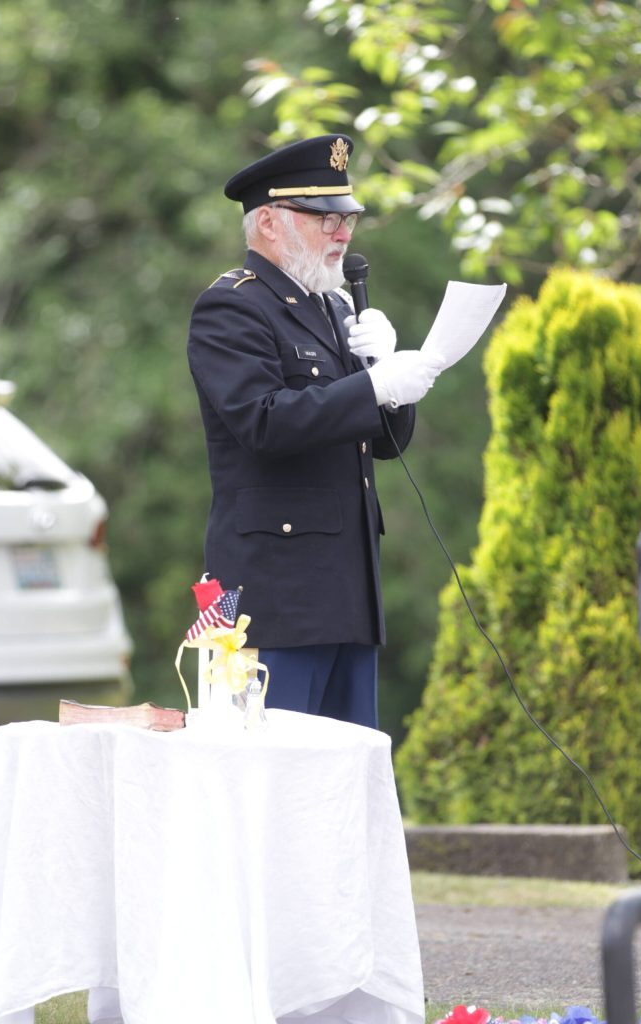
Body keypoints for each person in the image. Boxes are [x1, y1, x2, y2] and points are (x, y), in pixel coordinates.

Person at [187, 133, 443, 729]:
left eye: (348, 216)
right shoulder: (233, 307)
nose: (344, 232)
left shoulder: (333, 308)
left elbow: (384, 443)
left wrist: (387, 374)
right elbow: (263, 421)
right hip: (270, 605)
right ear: (271, 223)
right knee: (267, 791)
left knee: (342, 793)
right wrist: (370, 388)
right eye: (325, 217)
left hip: (348, 598)